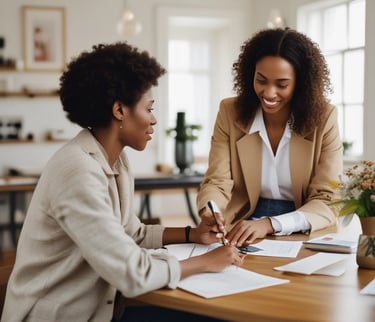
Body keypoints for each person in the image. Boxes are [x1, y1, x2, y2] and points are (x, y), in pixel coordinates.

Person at [1, 43, 243, 322]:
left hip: (104, 308)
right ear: (119, 110)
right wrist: (205, 262)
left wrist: (193, 234)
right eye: (149, 108)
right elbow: (132, 273)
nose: (153, 120)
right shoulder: (77, 171)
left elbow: (130, 232)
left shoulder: (115, 160)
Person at [197, 28, 343, 247]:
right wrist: (211, 210)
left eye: (281, 84)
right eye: (261, 80)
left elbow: (327, 198)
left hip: (303, 224)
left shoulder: (324, 118)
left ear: (300, 83)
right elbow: (218, 181)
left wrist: (270, 223)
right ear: (250, 75)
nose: (269, 93)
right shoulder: (230, 112)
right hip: (242, 221)